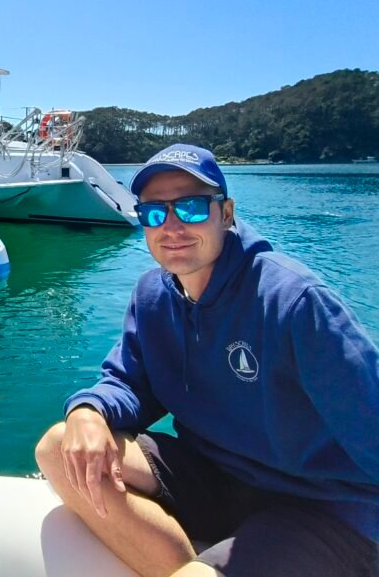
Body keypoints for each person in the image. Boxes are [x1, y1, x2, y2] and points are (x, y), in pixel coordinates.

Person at [35, 144, 379, 577]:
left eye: (192, 208)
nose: (173, 226)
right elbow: (127, 382)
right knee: (57, 447)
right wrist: (89, 410)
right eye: (155, 213)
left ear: (227, 213)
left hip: (315, 503)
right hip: (217, 478)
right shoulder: (153, 296)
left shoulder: (292, 302)